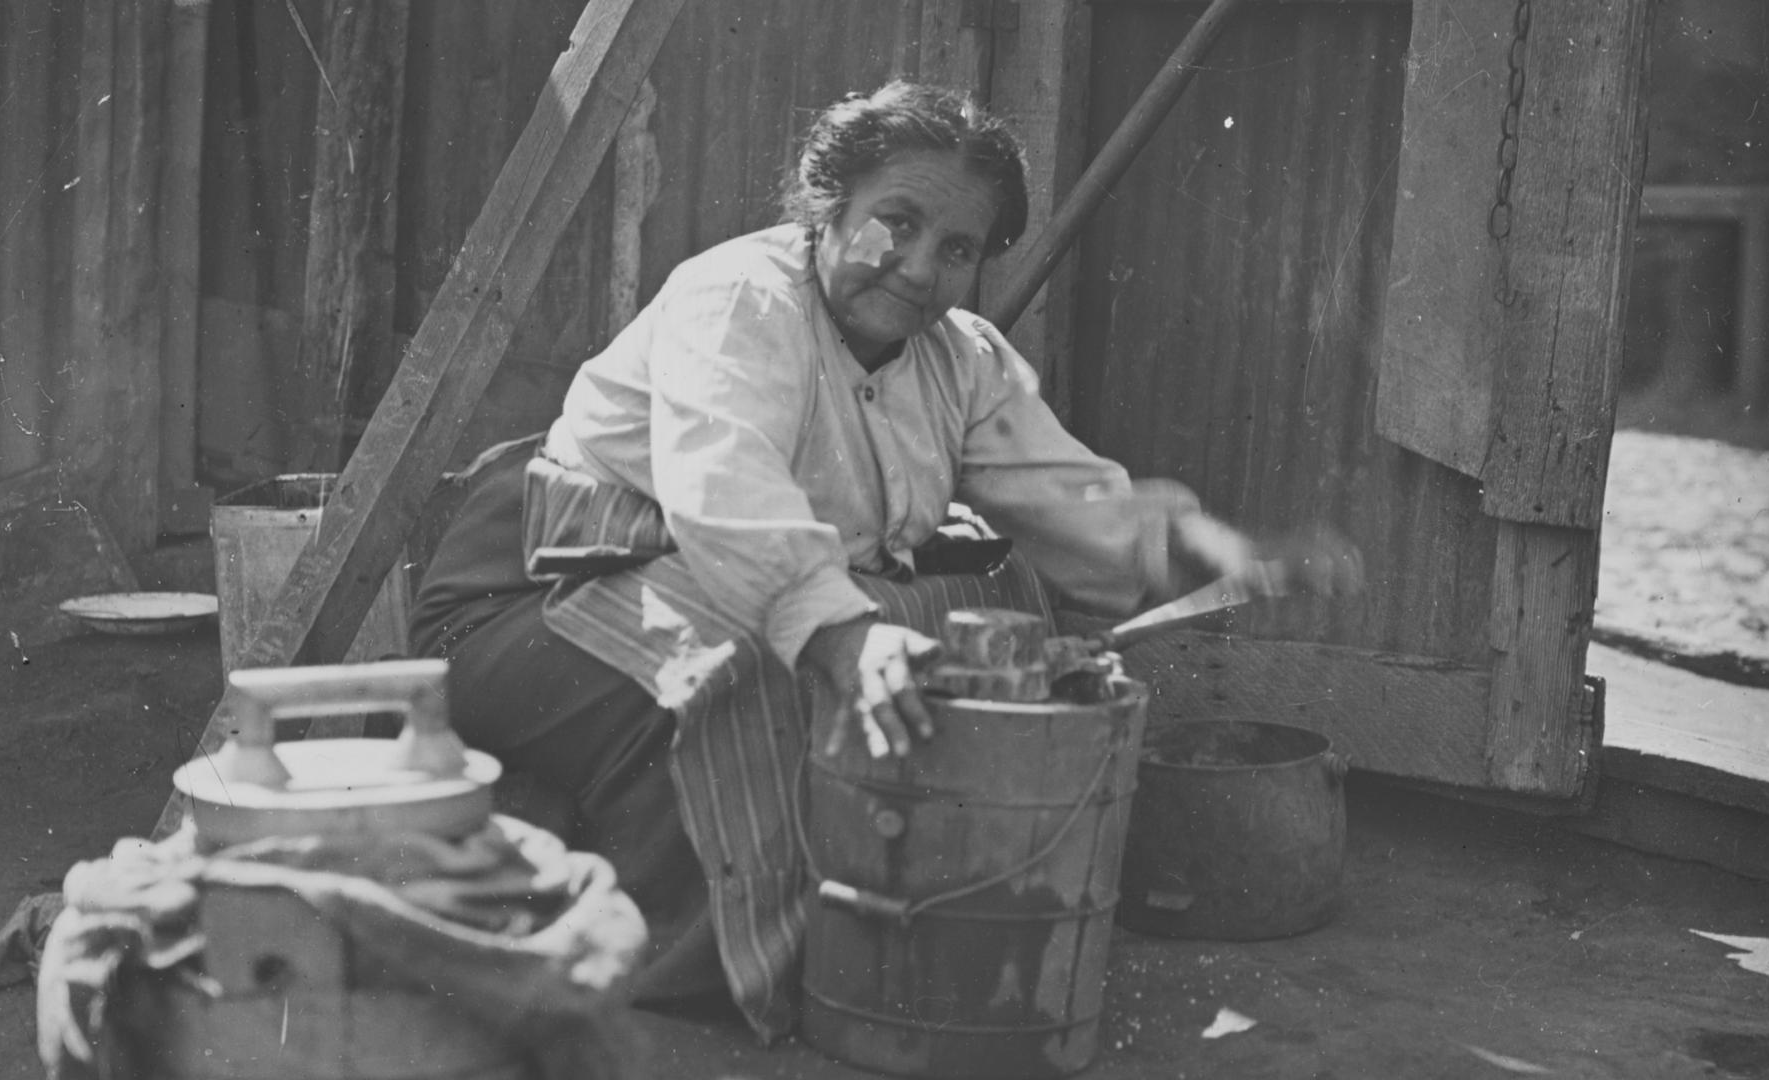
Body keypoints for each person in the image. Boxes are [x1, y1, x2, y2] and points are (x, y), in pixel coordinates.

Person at [409, 81, 1360, 1042]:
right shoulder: (740, 302)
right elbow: (727, 494)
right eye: (893, 223)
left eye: (956, 250)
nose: (915, 269)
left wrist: (1218, 546)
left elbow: (1071, 499)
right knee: (766, 660)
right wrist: (844, 639)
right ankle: (697, 974)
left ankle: (857, 936)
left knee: (978, 615)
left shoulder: (959, 359)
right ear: (825, 209)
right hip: (532, 597)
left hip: (704, 588)